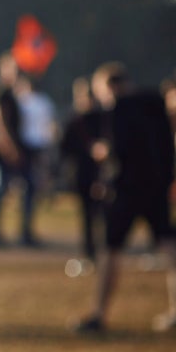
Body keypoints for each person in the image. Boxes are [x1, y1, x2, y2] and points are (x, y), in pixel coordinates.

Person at [73, 62, 176, 333]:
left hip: (126, 190)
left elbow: (117, 150)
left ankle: (98, 314)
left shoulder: (117, 108)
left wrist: (103, 156)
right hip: (156, 188)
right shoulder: (156, 104)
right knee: (168, 244)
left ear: (109, 86)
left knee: (110, 249)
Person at [0, 53, 39, 247]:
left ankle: (22, 232)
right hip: (5, 151)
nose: (17, 73)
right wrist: (9, 147)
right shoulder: (0, 92)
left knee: (22, 189)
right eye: (13, 69)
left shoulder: (12, 94)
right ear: (3, 69)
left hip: (13, 149)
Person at [58, 76, 104, 270]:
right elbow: (65, 148)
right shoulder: (75, 121)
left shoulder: (102, 119)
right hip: (83, 175)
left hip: (100, 175)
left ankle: (102, 253)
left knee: (101, 216)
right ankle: (90, 253)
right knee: (87, 215)